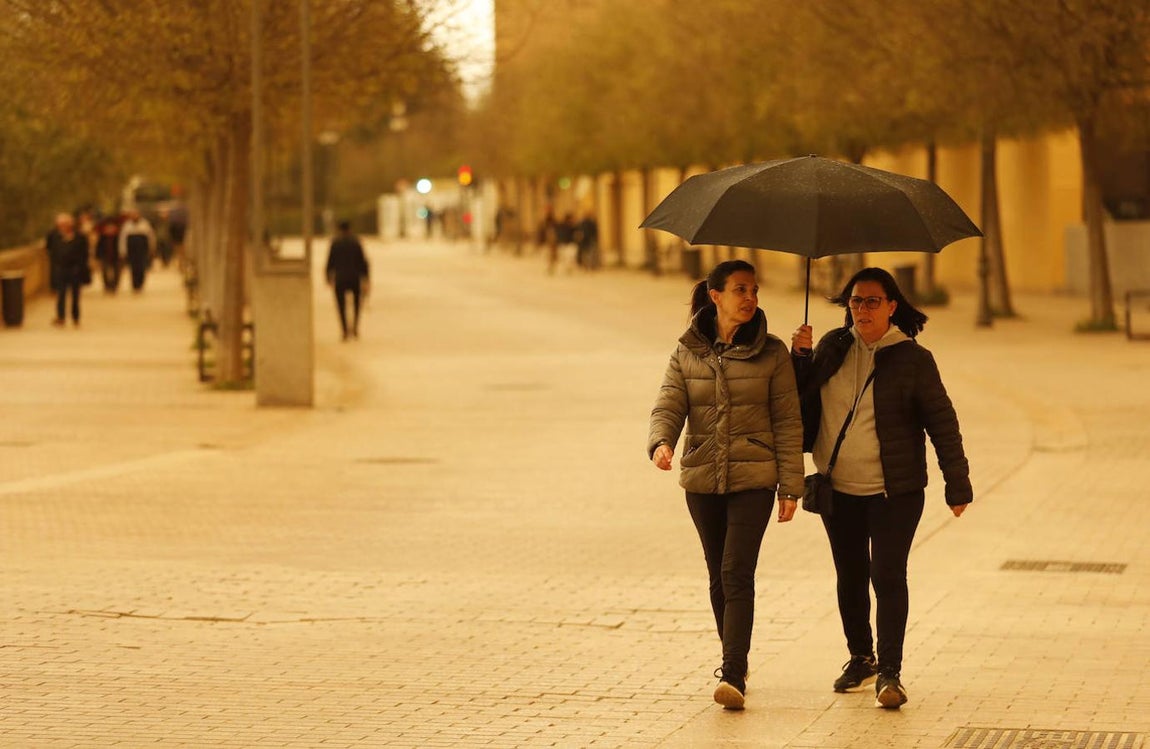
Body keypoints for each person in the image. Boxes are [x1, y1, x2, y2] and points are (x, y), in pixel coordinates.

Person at [790, 266, 972, 710]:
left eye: (872, 301)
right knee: (850, 577)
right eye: (855, 301)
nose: (862, 309)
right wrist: (799, 358)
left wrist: (957, 482)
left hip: (896, 491)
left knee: (887, 576)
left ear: (892, 306)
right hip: (839, 488)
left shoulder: (913, 358)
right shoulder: (832, 347)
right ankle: (861, 657)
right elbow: (797, 403)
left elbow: (942, 423)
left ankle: (890, 672)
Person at [648, 259, 805, 710]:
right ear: (715, 296)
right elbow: (669, 403)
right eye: (740, 289)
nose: (750, 298)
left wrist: (790, 486)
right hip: (702, 478)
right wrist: (661, 442)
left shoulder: (773, 353)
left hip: (755, 477)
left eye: (754, 290)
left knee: (737, 571)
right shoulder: (687, 351)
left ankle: (733, 670)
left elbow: (789, 422)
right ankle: (733, 655)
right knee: (718, 574)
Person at [325, 220, 370, 340]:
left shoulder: (335, 243)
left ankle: (344, 330)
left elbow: (330, 262)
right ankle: (355, 327)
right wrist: (366, 279)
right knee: (356, 304)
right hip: (355, 278)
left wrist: (328, 277)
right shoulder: (356, 242)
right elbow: (363, 262)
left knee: (341, 306)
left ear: (339, 229)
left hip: (340, 278)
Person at [44, 212, 90, 326]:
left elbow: (85, 254)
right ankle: (61, 316)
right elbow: (49, 249)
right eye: (60, 224)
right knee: (61, 294)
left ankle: (75, 316)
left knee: (75, 295)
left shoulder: (80, 237)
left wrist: (82, 269)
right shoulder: (54, 236)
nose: (62, 227)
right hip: (61, 269)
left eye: (65, 224)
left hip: (75, 270)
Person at [118, 209, 156, 292]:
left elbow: (151, 237)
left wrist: (152, 248)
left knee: (142, 267)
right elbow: (123, 239)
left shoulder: (145, 224)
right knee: (133, 268)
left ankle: (140, 283)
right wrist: (122, 251)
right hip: (132, 250)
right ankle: (135, 285)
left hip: (142, 250)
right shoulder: (127, 225)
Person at [95, 215, 122, 293]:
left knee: (117, 272)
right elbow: (98, 247)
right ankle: (107, 285)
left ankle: (114, 286)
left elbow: (122, 246)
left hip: (116, 256)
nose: (110, 229)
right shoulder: (102, 237)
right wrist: (97, 256)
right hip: (105, 256)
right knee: (104, 271)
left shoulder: (118, 236)